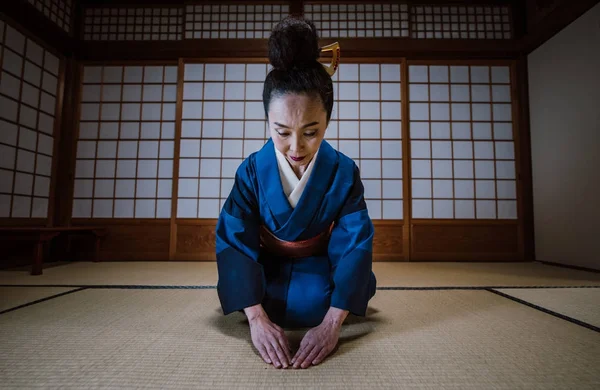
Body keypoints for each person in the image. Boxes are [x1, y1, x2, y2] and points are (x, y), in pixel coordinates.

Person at [215, 16, 376, 370]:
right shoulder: (252, 170)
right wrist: (256, 318)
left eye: (310, 131)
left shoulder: (343, 171)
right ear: (267, 121)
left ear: (328, 122)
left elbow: (354, 242)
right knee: (258, 299)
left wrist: (333, 324)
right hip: (266, 264)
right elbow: (234, 239)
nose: (295, 147)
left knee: (323, 301)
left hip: (320, 263)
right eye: (282, 131)